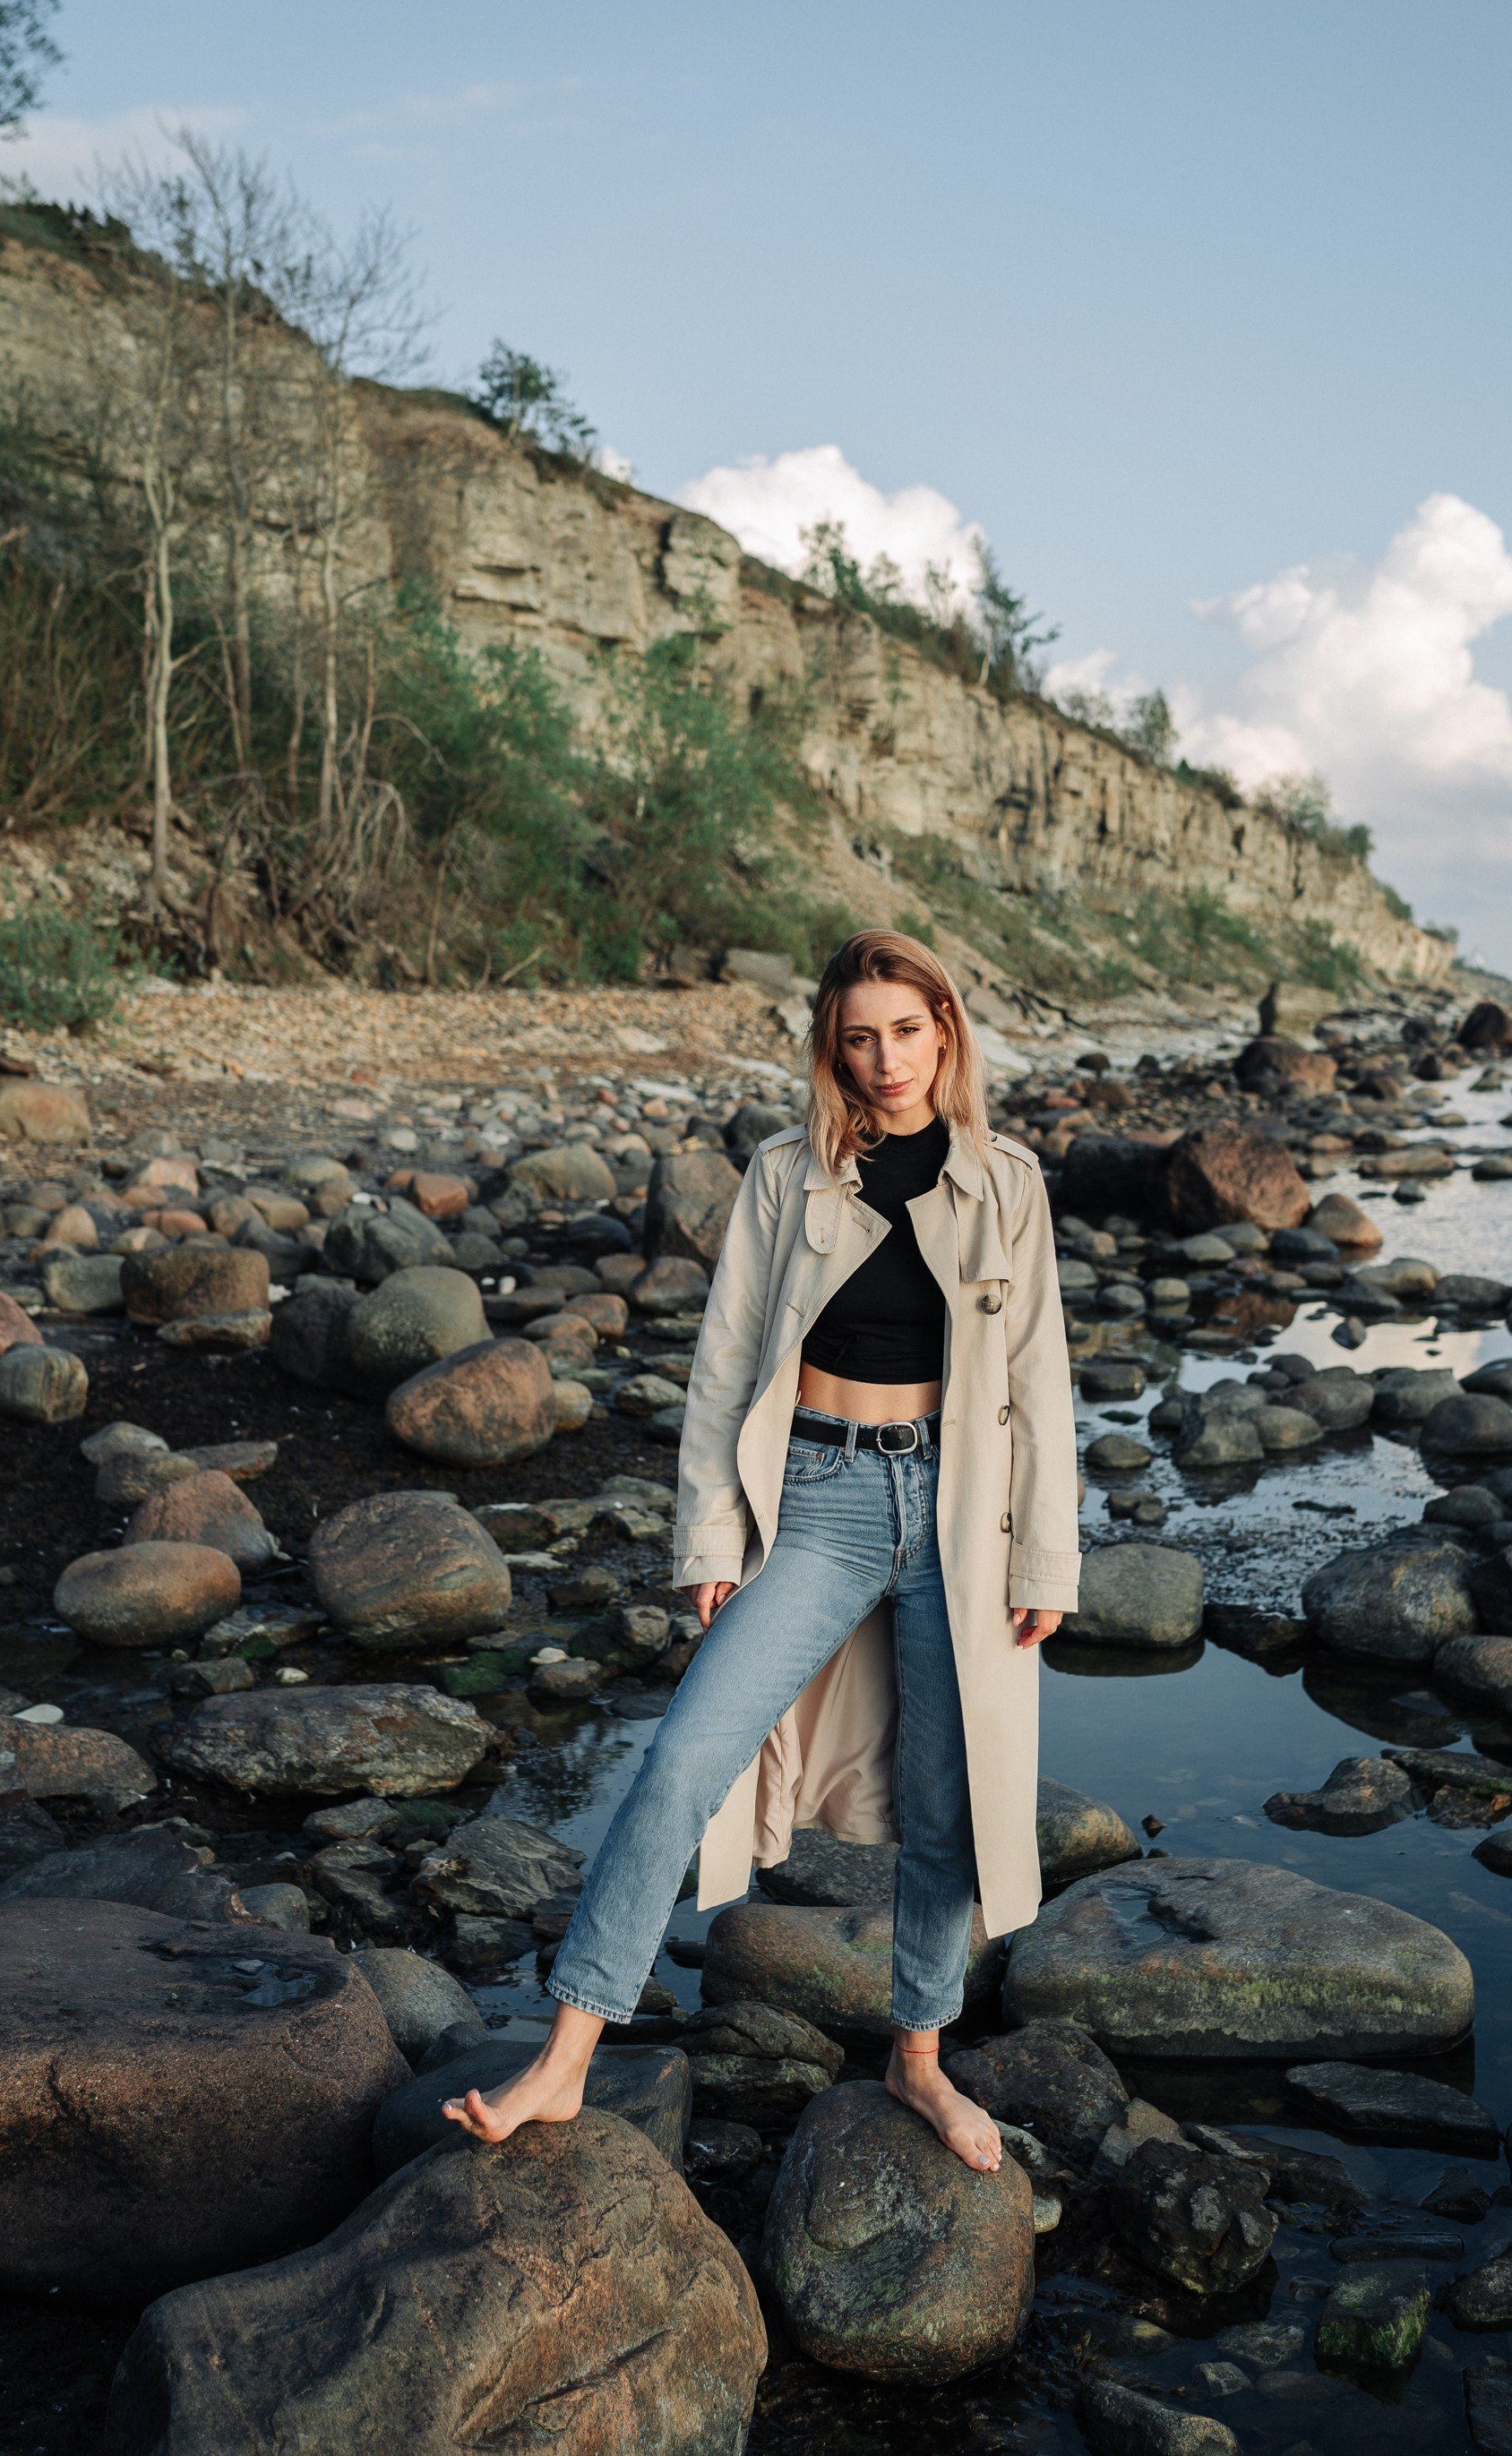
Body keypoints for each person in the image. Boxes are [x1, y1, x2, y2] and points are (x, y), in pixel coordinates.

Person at [446, 928, 1079, 2165]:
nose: (887, 1058)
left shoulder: (1005, 1181)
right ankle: (568, 2056)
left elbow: (1039, 1378)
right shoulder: (789, 1176)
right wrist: (710, 1536)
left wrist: (1045, 1562)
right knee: (683, 1761)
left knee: (949, 1808)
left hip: (961, 1515)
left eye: (907, 1029)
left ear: (944, 1030)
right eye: (861, 1037)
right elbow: (726, 1361)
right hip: (821, 1502)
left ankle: (917, 2060)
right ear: (832, 1051)